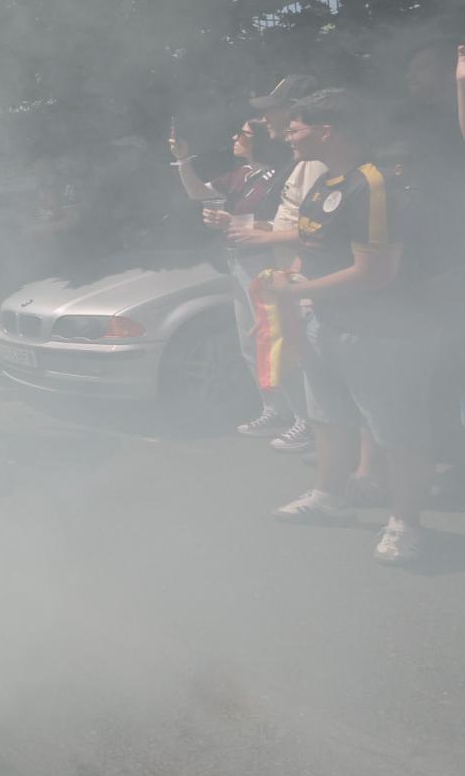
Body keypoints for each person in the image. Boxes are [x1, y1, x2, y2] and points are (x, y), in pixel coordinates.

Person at [267, 89, 433, 565]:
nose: (289, 136)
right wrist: (294, 273)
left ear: (327, 131)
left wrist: (293, 293)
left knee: (396, 430)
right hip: (326, 320)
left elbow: (376, 273)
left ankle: (405, 524)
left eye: (297, 128)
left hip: (377, 333)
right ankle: (330, 498)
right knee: (329, 416)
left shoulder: (372, 184)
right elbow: (314, 244)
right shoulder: (325, 182)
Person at [170, 116, 293, 437]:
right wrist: (183, 159)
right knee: (251, 341)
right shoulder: (242, 173)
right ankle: (273, 409)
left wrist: (233, 220)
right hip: (239, 262)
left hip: (265, 262)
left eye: (244, 133)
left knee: (276, 339)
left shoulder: (280, 174)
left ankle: (302, 417)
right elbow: (199, 193)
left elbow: (282, 222)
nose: (235, 137)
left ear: (262, 140)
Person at [225, 75, 324, 452]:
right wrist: (242, 227)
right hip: (288, 271)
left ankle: (313, 426)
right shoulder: (298, 162)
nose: (266, 120)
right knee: (278, 346)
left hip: (304, 277)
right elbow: (287, 221)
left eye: (273, 111)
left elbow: (319, 230)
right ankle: (302, 420)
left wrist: (262, 237)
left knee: (301, 355)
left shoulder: (308, 163)